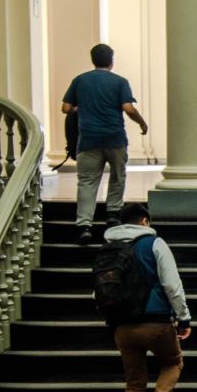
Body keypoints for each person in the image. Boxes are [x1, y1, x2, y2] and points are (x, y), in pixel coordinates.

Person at [102, 202, 191, 392]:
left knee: (134, 384)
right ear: (144, 221)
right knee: (173, 363)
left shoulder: (108, 248)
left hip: (122, 326)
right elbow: (172, 285)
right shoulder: (155, 244)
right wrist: (184, 318)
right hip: (156, 322)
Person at [61, 43, 149, 245]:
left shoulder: (80, 80)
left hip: (88, 140)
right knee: (117, 176)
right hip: (115, 138)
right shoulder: (119, 82)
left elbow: (66, 108)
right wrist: (142, 122)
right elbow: (127, 107)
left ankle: (84, 226)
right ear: (111, 60)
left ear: (93, 60)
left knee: (87, 181)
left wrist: (82, 107)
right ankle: (112, 215)